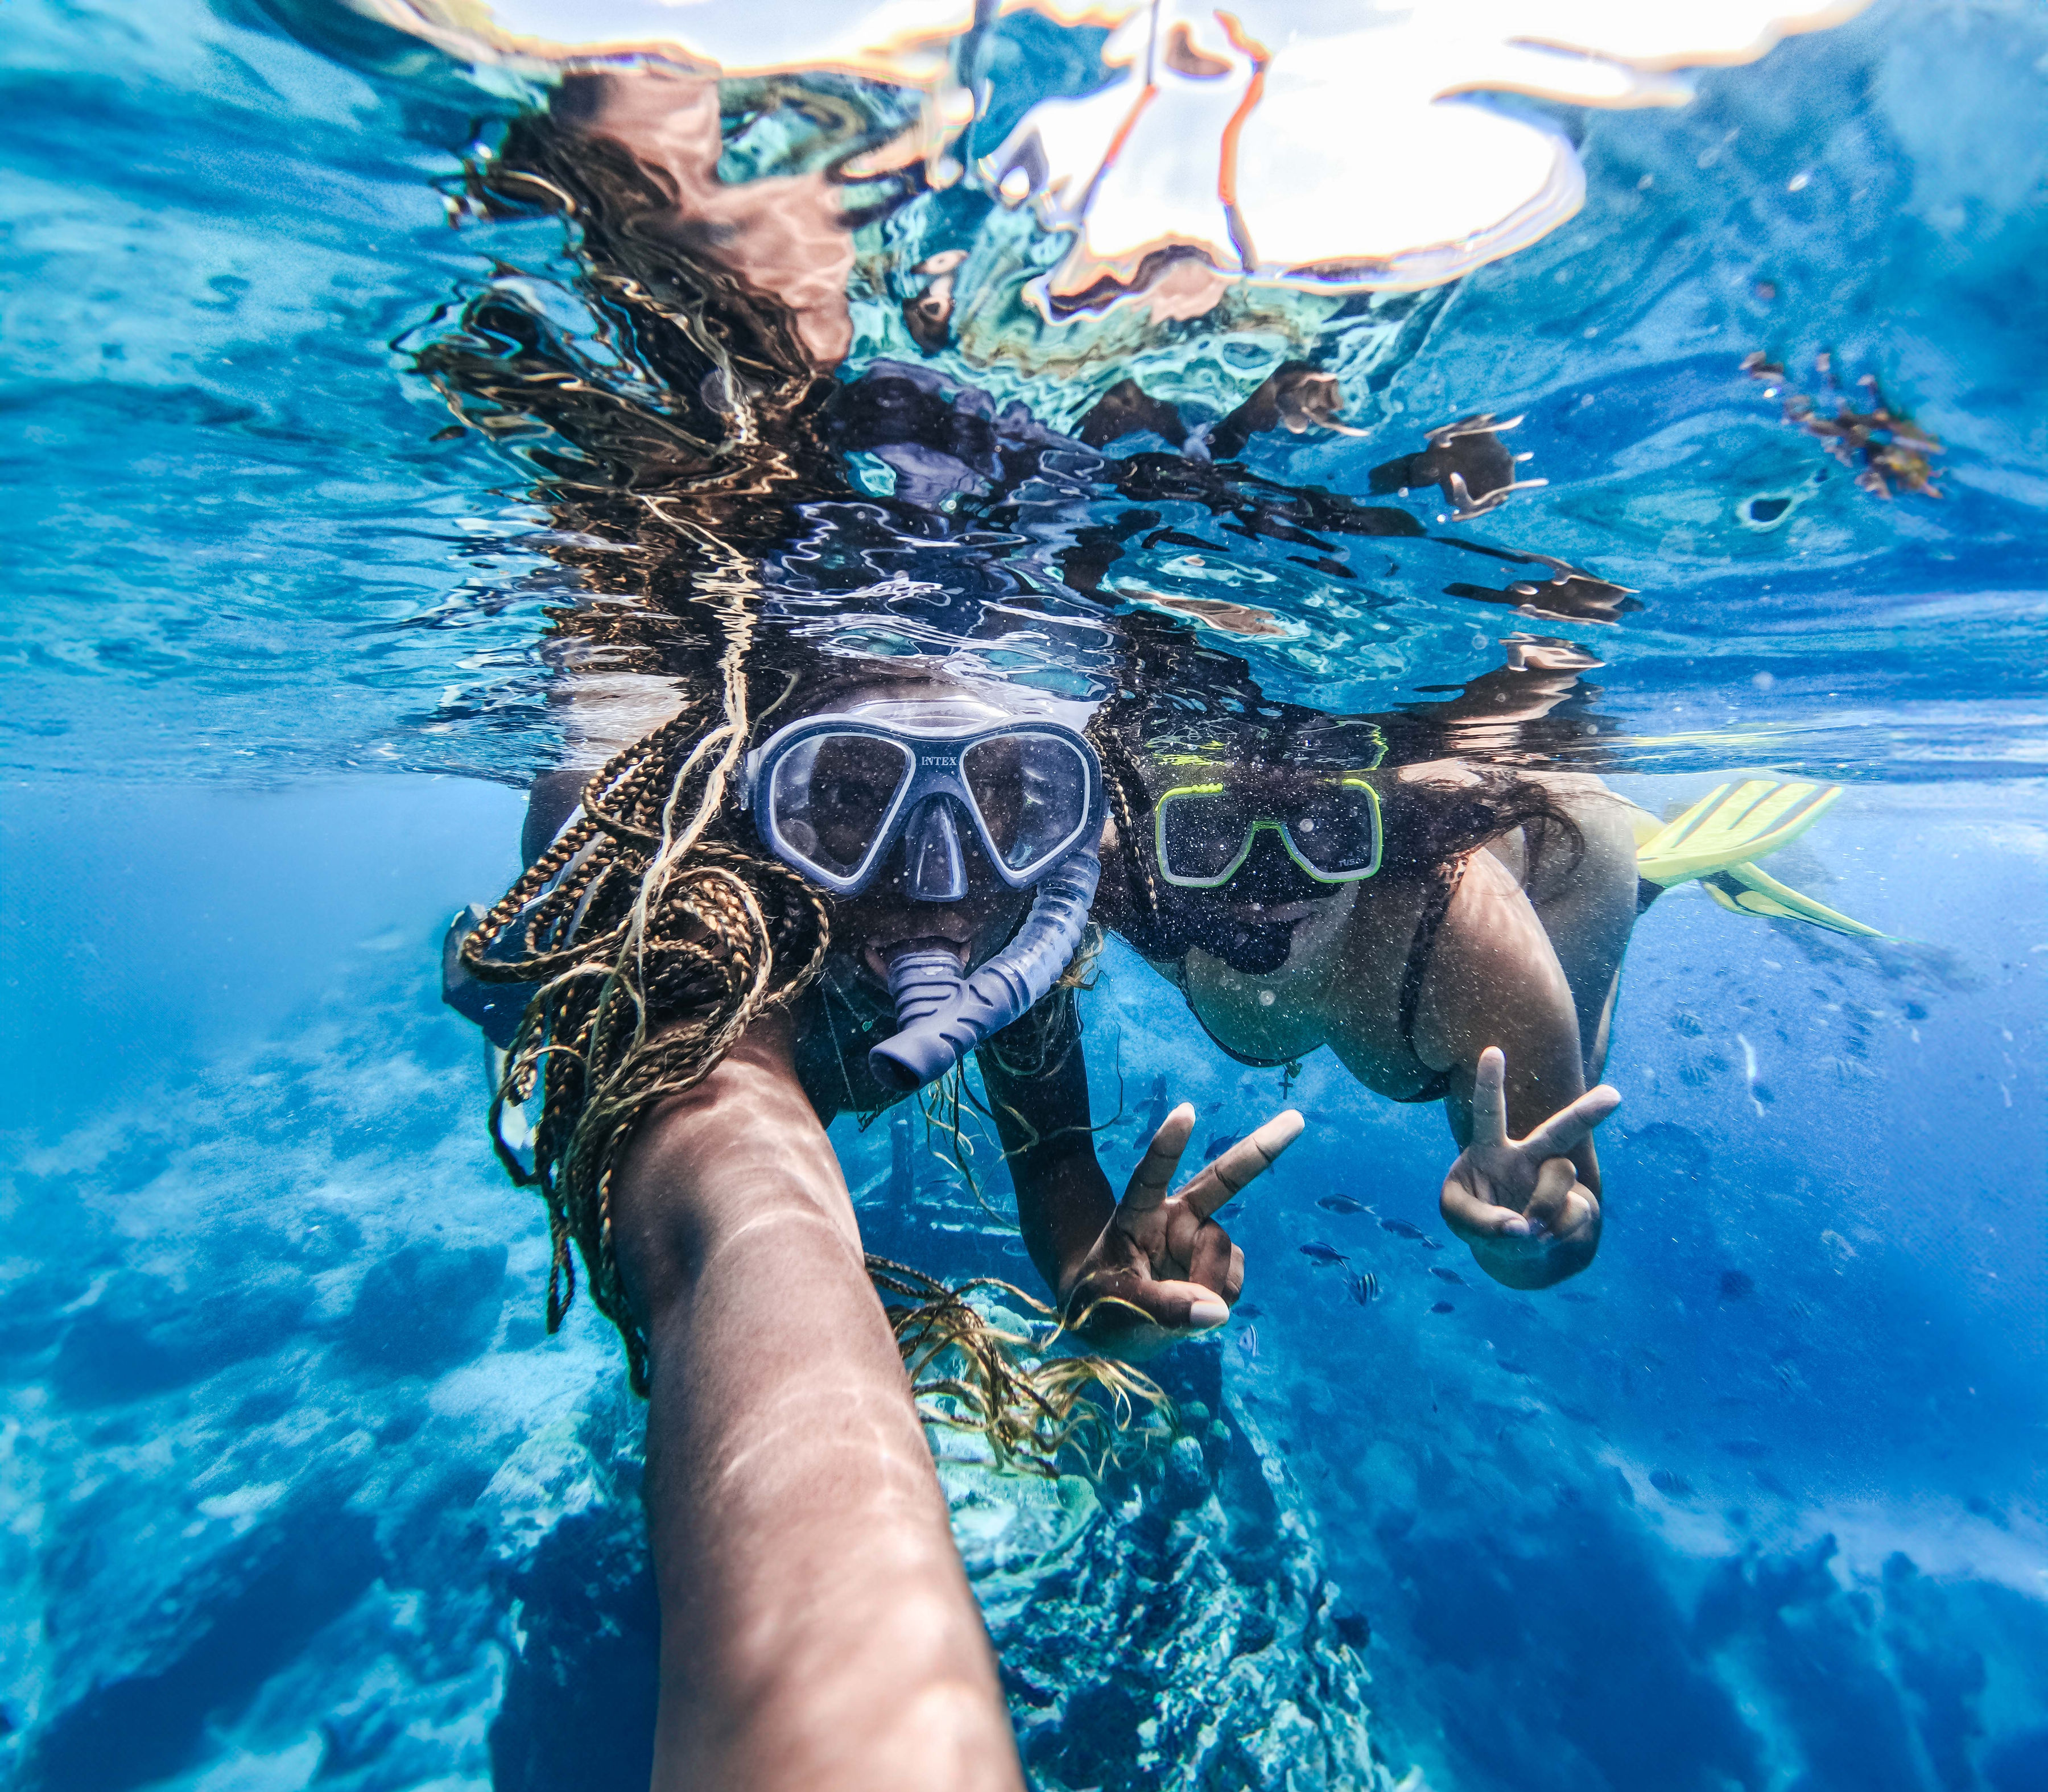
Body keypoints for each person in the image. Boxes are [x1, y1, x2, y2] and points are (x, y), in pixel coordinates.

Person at [1083, 625, 1879, 1291]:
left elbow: (1566, 1228)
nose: (1268, 889)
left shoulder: (1469, 941)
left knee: (1577, 1048)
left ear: (1379, 826)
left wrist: (1526, 1236)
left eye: (1330, 829)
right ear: (1158, 833)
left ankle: (1646, 875)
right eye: (1208, 836)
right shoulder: (1130, 882)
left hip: (1564, 861)